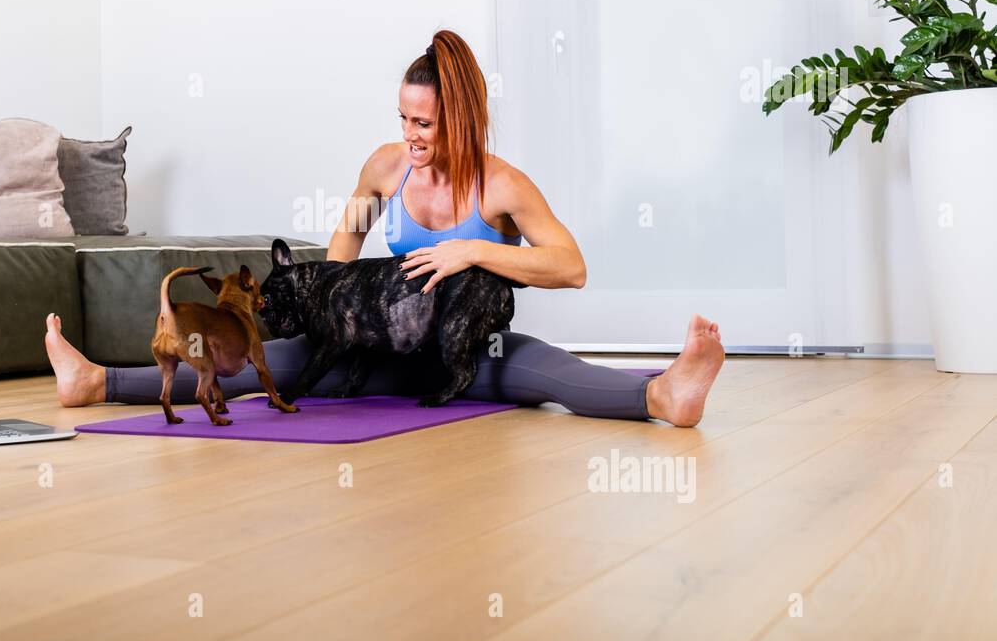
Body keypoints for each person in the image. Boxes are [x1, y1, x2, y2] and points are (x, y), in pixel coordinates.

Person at [44, 30, 724, 427]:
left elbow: (569, 267)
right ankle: (97, 383)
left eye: (423, 123)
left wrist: (470, 251)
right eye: (403, 118)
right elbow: (340, 261)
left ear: (459, 118)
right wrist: (308, 316)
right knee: (261, 363)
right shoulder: (384, 169)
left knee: (547, 372)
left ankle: (664, 392)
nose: (410, 135)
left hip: (464, 355)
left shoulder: (501, 185)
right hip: (381, 356)